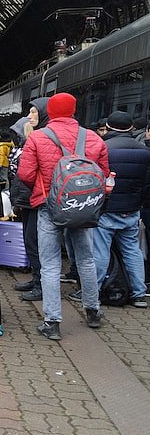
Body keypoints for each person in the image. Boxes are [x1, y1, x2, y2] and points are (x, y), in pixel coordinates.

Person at [18, 93, 109, 340]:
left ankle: (53, 322)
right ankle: (92, 311)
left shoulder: (37, 137)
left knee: (50, 263)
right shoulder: (92, 137)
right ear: (73, 111)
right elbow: (104, 174)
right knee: (86, 259)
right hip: (82, 206)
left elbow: (25, 174)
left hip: (49, 206)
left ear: (51, 112)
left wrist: (44, 188)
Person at [87, 111, 150, 307]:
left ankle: (93, 292)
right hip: (131, 209)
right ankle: (139, 294)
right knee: (133, 251)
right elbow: (147, 185)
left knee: (100, 252)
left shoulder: (104, 148)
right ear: (131, 128)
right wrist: (138, 202)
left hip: (106, 209)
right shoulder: (144, 151)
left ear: (109, 127)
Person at [11, 98, 49, 300]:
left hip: (38, 199)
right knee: (30, 241)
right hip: (27, 199)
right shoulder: (33, 138)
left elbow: (29, 173)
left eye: (34, 112)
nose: (29, 116)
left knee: (36, 243)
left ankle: (42, 285)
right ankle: (36, 280)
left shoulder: (41, 139)